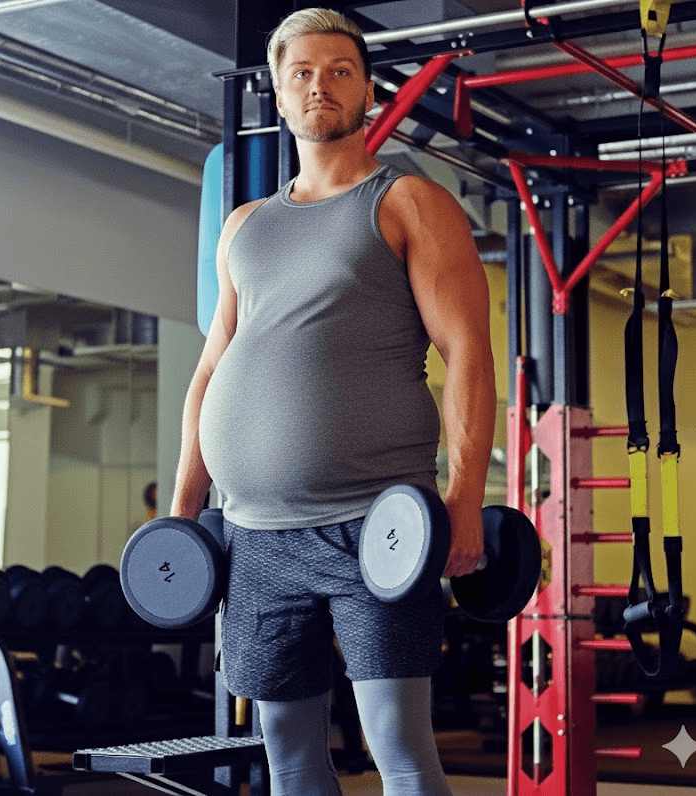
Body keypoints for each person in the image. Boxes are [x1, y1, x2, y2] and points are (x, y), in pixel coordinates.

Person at [170, 8, 496, 795]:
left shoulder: (409, 202)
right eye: (302, 73)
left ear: (367, 92)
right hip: (254, 535)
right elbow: (211, 368)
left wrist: (464, 496)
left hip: (375, 521)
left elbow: (468, 354)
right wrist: (185, 511)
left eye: (339, 71)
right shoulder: (245, 226)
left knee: (400, 744)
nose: (320, 85)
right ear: (279, 95)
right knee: (286, 749)